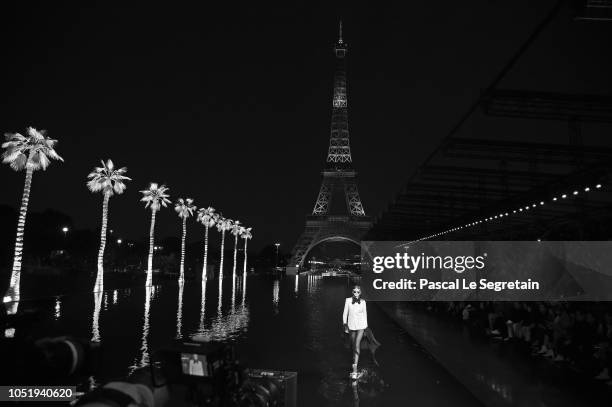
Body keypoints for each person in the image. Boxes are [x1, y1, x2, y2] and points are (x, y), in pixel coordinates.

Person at [343, 285, 368, 379]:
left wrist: (366, 328)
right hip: (351, 326)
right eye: (354, 292)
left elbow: (365, 315)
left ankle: (354, 369)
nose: (356, 293)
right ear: (352, 292)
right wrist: (345, 325)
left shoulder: (363, 302)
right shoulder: (348, 300)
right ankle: (354, 364)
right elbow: (345, 313)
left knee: (357, 345)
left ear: (360, 293)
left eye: (358, 292)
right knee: (353, 345)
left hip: (361, 326)